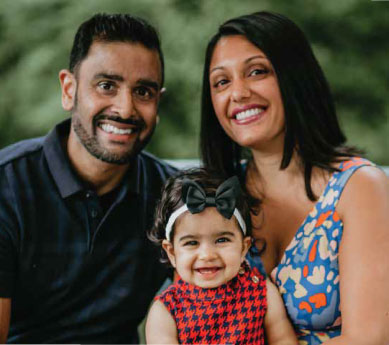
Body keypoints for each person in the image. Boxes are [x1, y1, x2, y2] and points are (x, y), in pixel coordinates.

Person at [200, 11, 389, 345]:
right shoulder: (218, 198)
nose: (238, 93)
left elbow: (369, 338)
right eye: (221, 82)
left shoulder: (360, 188)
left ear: (295, 78)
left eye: (257, 72)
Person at [0, 13, 176, 343]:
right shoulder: (6, 187)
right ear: (69, 89)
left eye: (143, 92)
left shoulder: (172, 198)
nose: (125, 109)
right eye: (107, 86)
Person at [145, 169, 298, 345]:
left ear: (243, 247)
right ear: (171, 252)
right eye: (191, 243)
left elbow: (282, 340)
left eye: (222, 240)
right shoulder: (166, 311)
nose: (207, 255)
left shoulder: (262, 291)